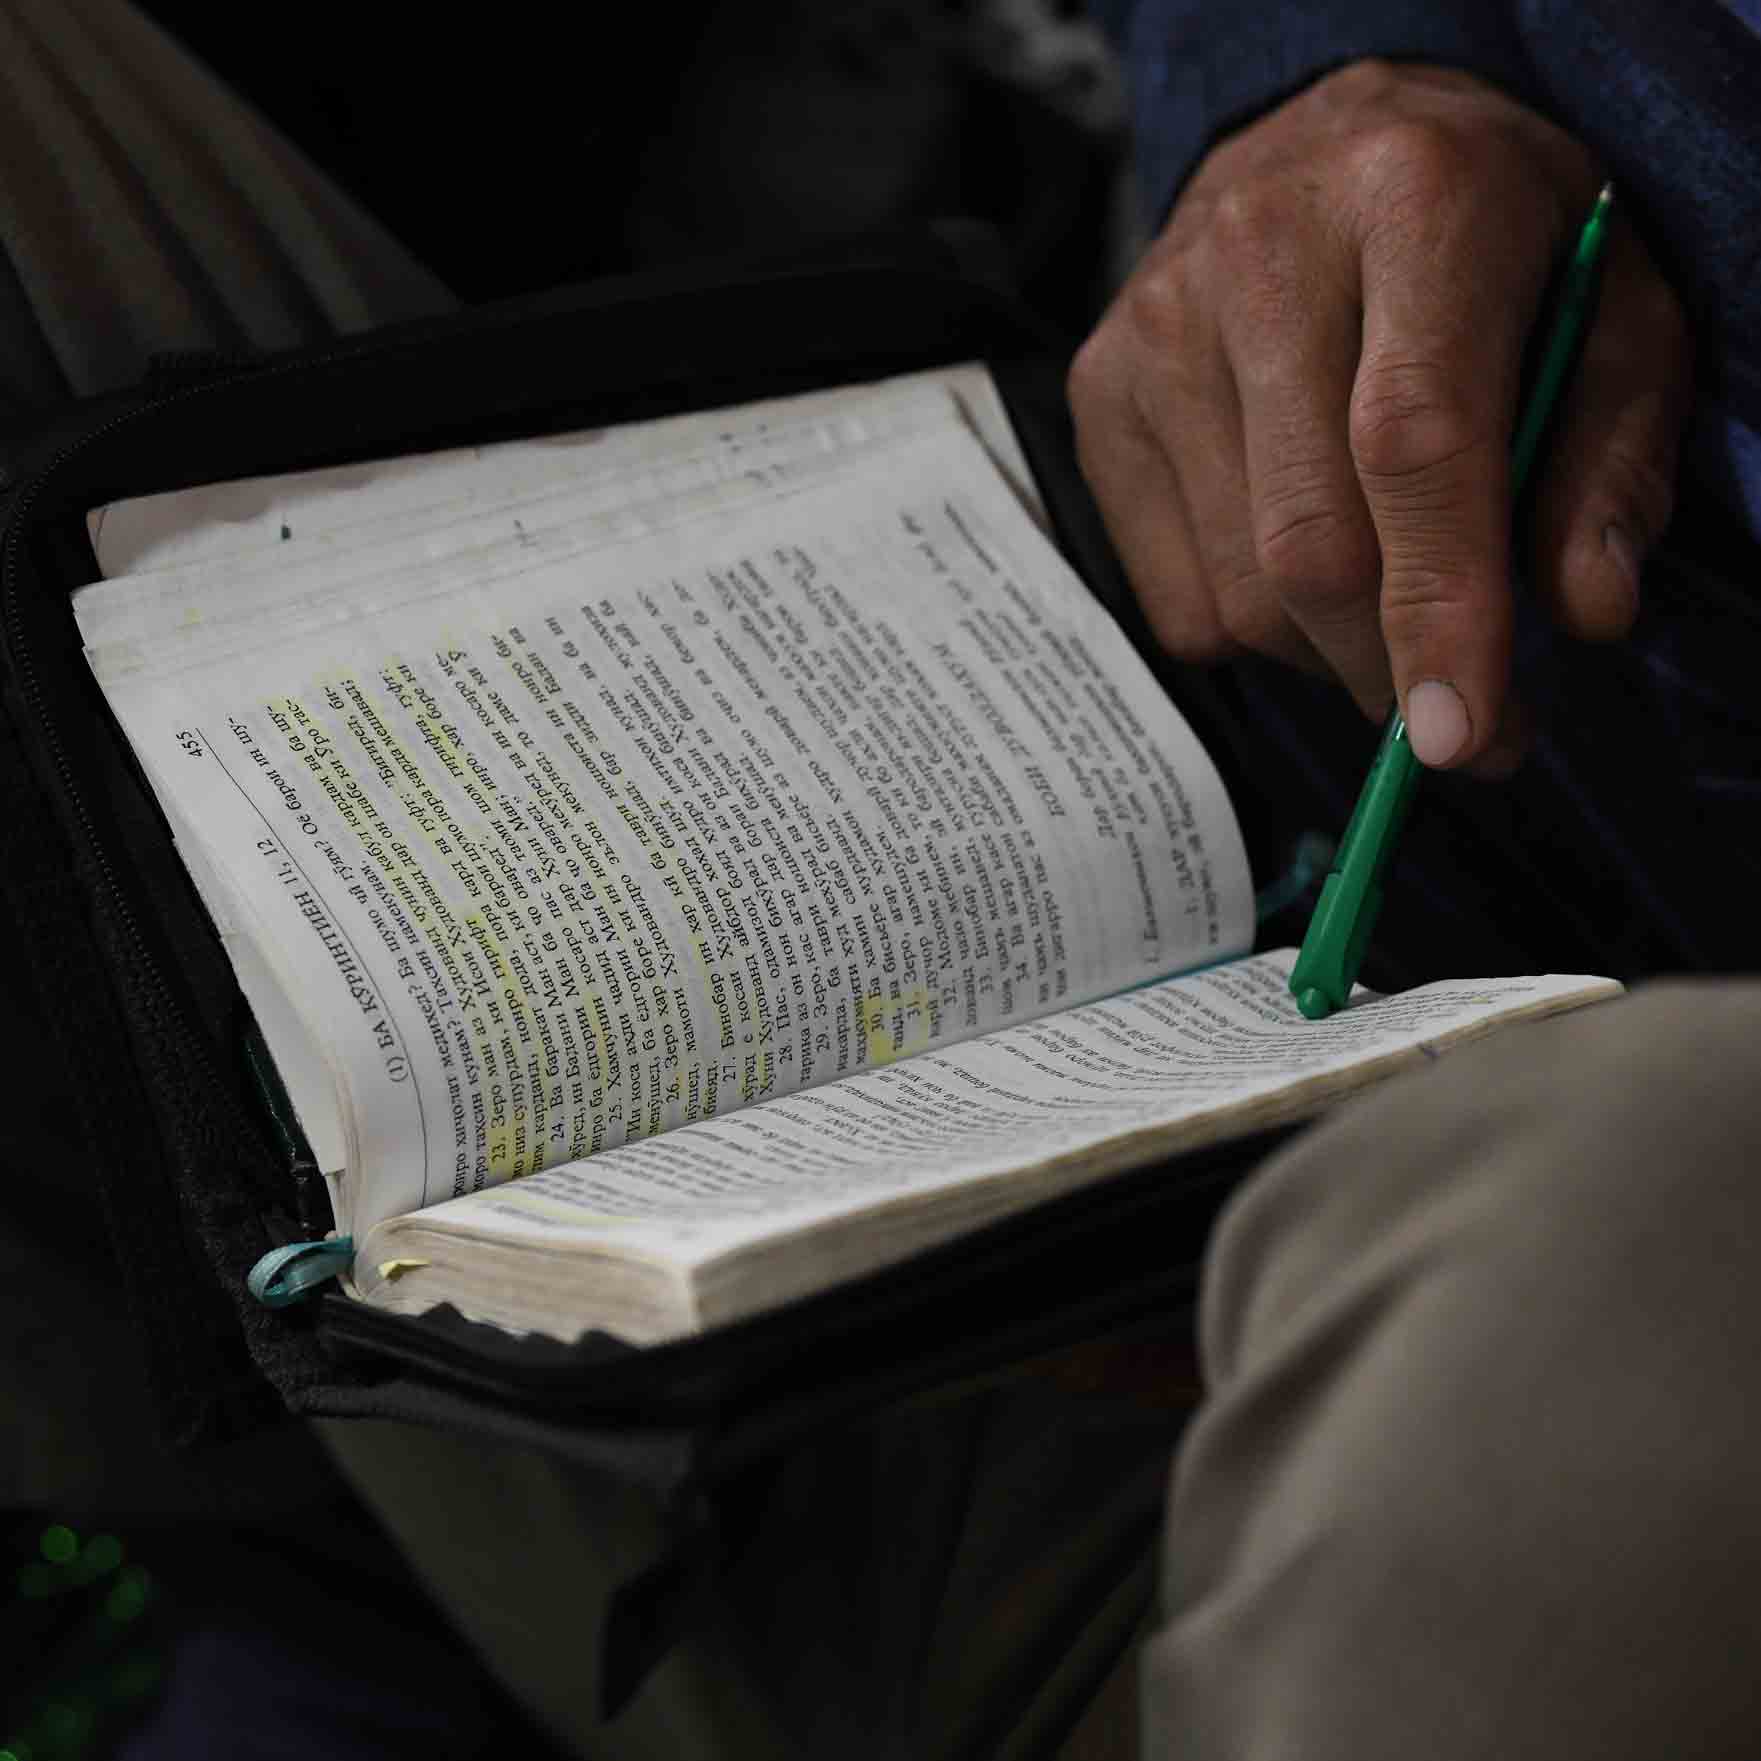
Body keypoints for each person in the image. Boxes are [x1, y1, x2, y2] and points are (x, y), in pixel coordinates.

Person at [5, 3, 1761, 1759]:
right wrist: (1341, 86)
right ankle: (308, 1579)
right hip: (1134, 734)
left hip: (1311, 1506)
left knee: (1650, 1213)